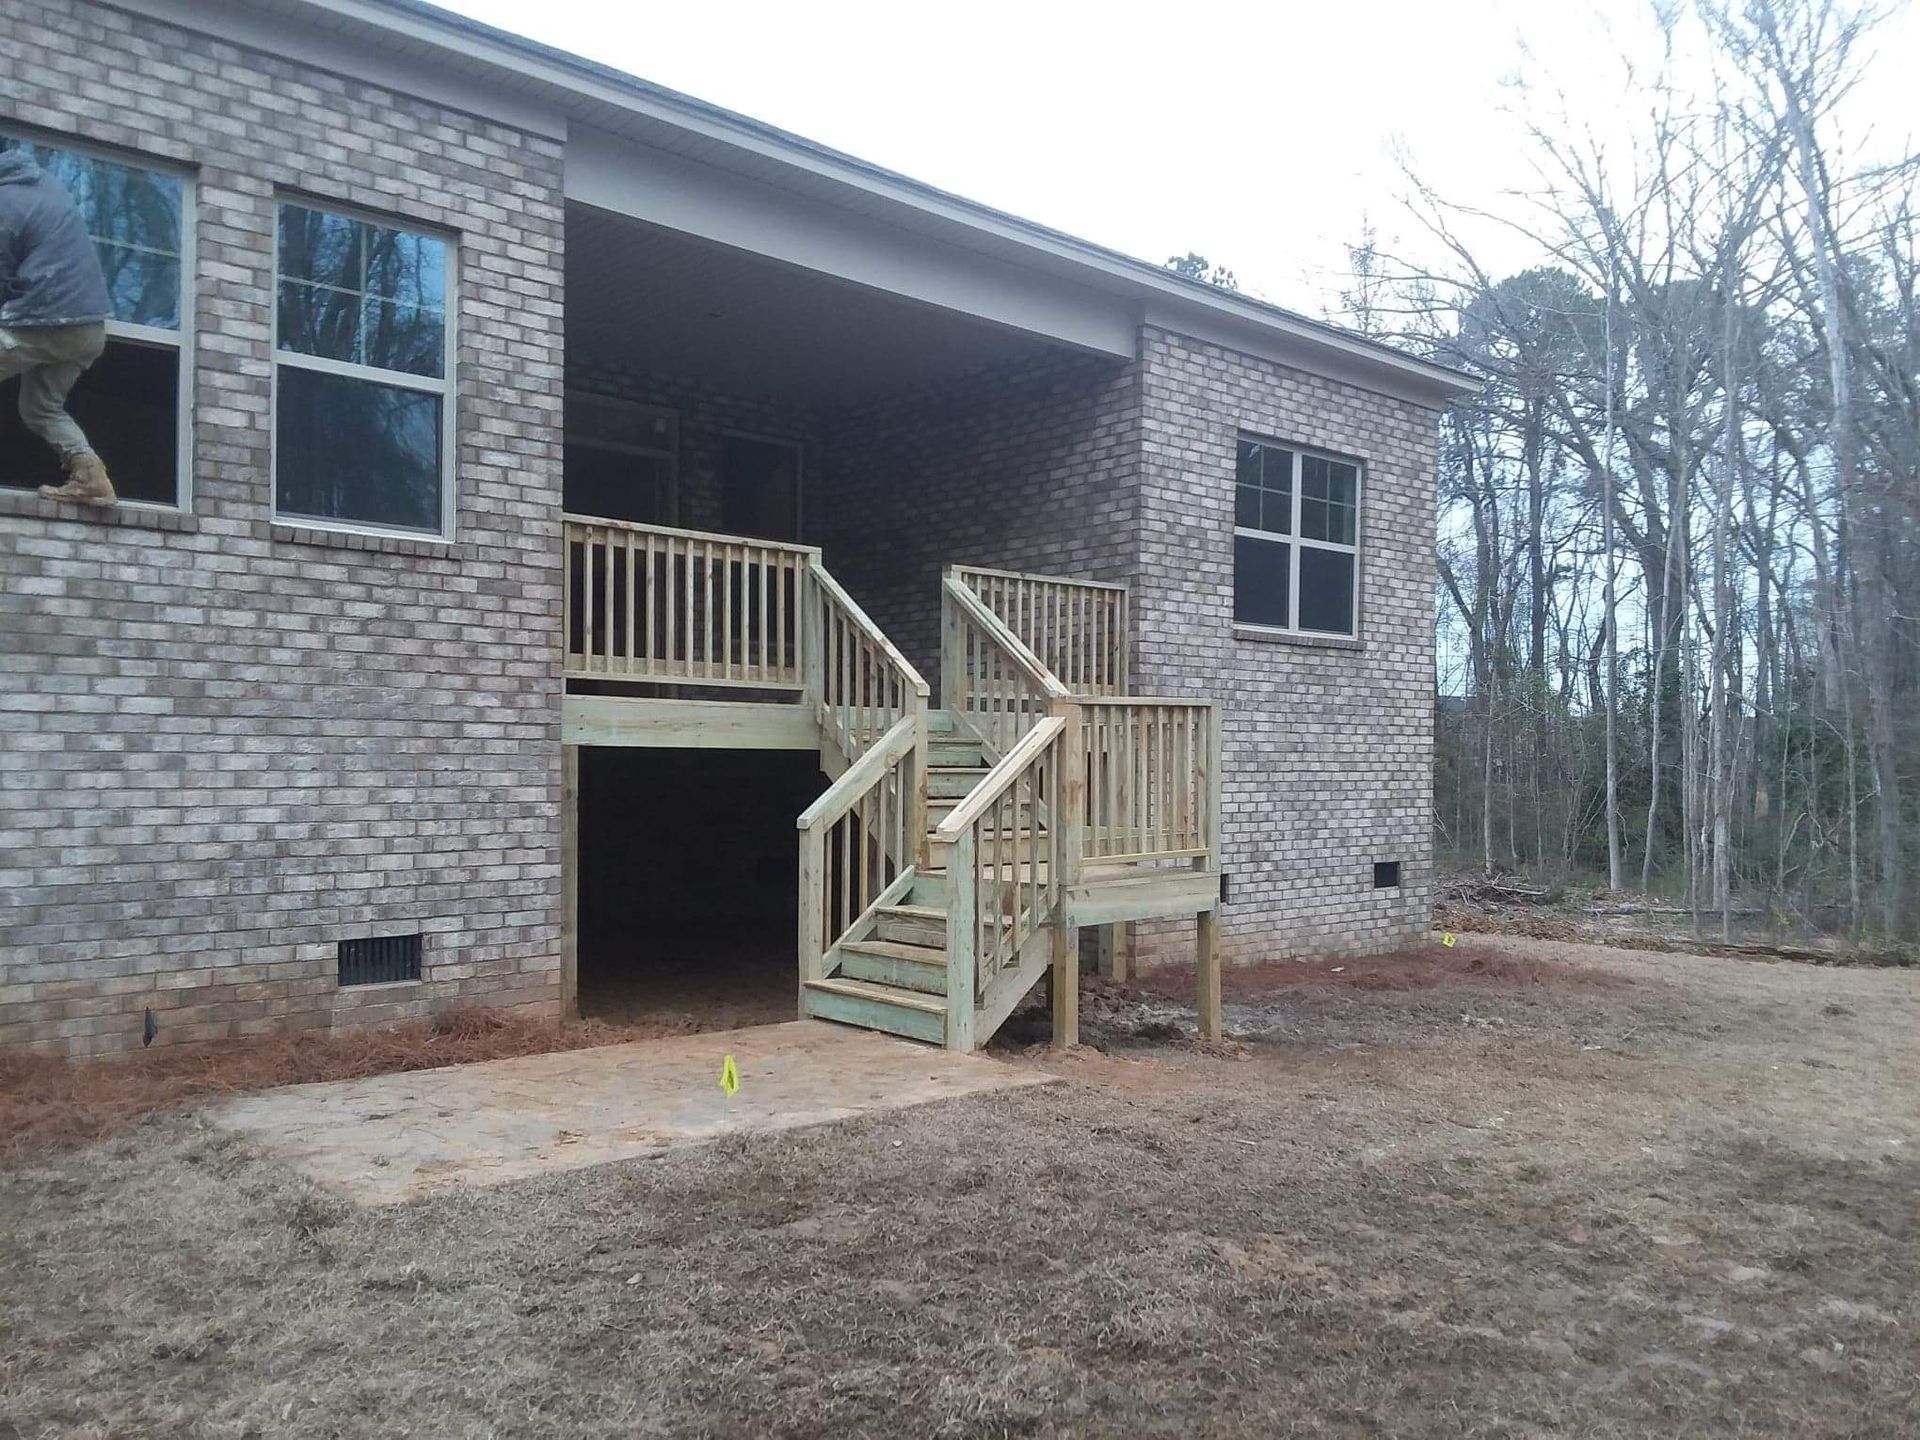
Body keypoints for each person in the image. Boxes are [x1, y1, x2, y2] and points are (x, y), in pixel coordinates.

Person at [0, 140, 116, 506]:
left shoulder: (5, 204)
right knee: (41, 408)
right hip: (88, 329)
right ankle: (92, 478)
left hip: (49, 319)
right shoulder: (45, 185)